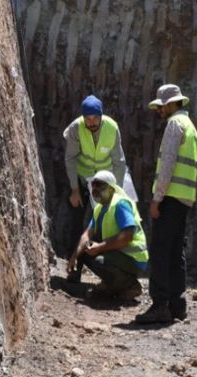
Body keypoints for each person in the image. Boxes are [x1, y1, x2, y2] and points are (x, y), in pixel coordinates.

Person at [136, 84, 197, 323]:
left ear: (172, 104)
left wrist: (157, 198)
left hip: (170, 197)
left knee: (161, 251)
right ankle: (177, 305)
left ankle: (160, 305)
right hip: (184, 198)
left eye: (162, 106)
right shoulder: (191, 127)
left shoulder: (175, 125)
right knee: (176, 252)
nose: (159, 111)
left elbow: (167, 165)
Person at [63, 95, 136, 282]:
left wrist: (116, 193)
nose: (91, 122)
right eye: (87, 118)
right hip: (82, 177)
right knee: (77, 220)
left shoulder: (112, 128)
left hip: (105, 179)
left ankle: (109, 271)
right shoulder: (75, 129)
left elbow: (119, 162)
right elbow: (70, 159)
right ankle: (74, 269)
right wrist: (75, 190)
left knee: (105, 222)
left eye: (95, 118)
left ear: (101, 116)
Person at [67, 170, 148, 300]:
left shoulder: (120, 204)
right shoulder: (100, 208)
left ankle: (130, 285)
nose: (95, 189)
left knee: (99, 261)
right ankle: (112, 284)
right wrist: (75, 256)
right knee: (83, 249)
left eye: (100, 185)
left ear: (111, 189)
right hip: (117, 252)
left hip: (133, 258)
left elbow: (127, 236)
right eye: (93, 185)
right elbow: (87, 234)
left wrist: (99, 248)